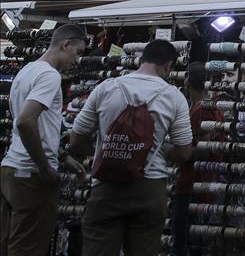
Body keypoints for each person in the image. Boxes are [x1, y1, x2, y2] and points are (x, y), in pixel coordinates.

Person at [68, 39, 193, 256]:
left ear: (140, 60)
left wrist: (107, 152)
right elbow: (184, 152)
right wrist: (159, 151)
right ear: (169, 66)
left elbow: (76, 139)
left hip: (107, 186)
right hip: (150, 188)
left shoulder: (106, 88)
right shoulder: (174, 97)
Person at [1, 25, 86, 256]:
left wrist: (62, 155)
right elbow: (25, 122)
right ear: (65, 44)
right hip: (32, 175)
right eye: (77, 52)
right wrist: (44, 166)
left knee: (10, 244)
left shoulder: (27, 70)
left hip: (12, 169)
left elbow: (29, 124)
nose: (78, 61)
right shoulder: (49, 75)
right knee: (27, 248)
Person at [172, 62, 225, 256]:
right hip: (202, 186)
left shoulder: (201, 110)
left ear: (188, 81)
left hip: (193, 186)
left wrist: (173, 151)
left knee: (185, 244)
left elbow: (202, 149)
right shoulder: (211, 109)